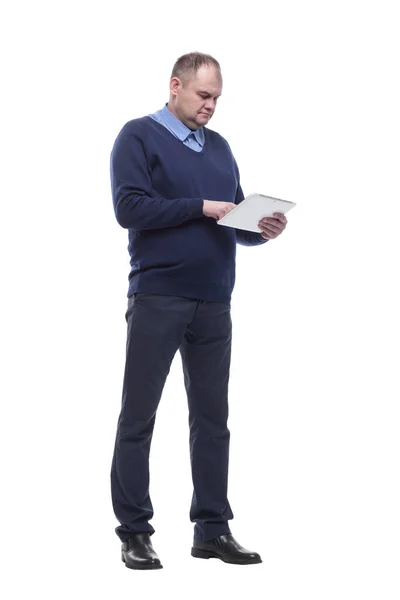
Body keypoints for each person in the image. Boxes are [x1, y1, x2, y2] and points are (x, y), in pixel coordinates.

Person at [109, 51, 287, 570]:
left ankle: (212, 528)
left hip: (214, 300)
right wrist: (200, 207)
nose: (211, 106)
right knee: (138, 417)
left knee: (212, 420)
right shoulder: (137, 136)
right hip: (158, 296)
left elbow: (230, 218)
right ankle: (135, 533)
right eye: (203, 95)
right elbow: (128, 208)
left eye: (217, 98)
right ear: (175, 87)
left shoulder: (221, 147)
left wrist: (259, 229)